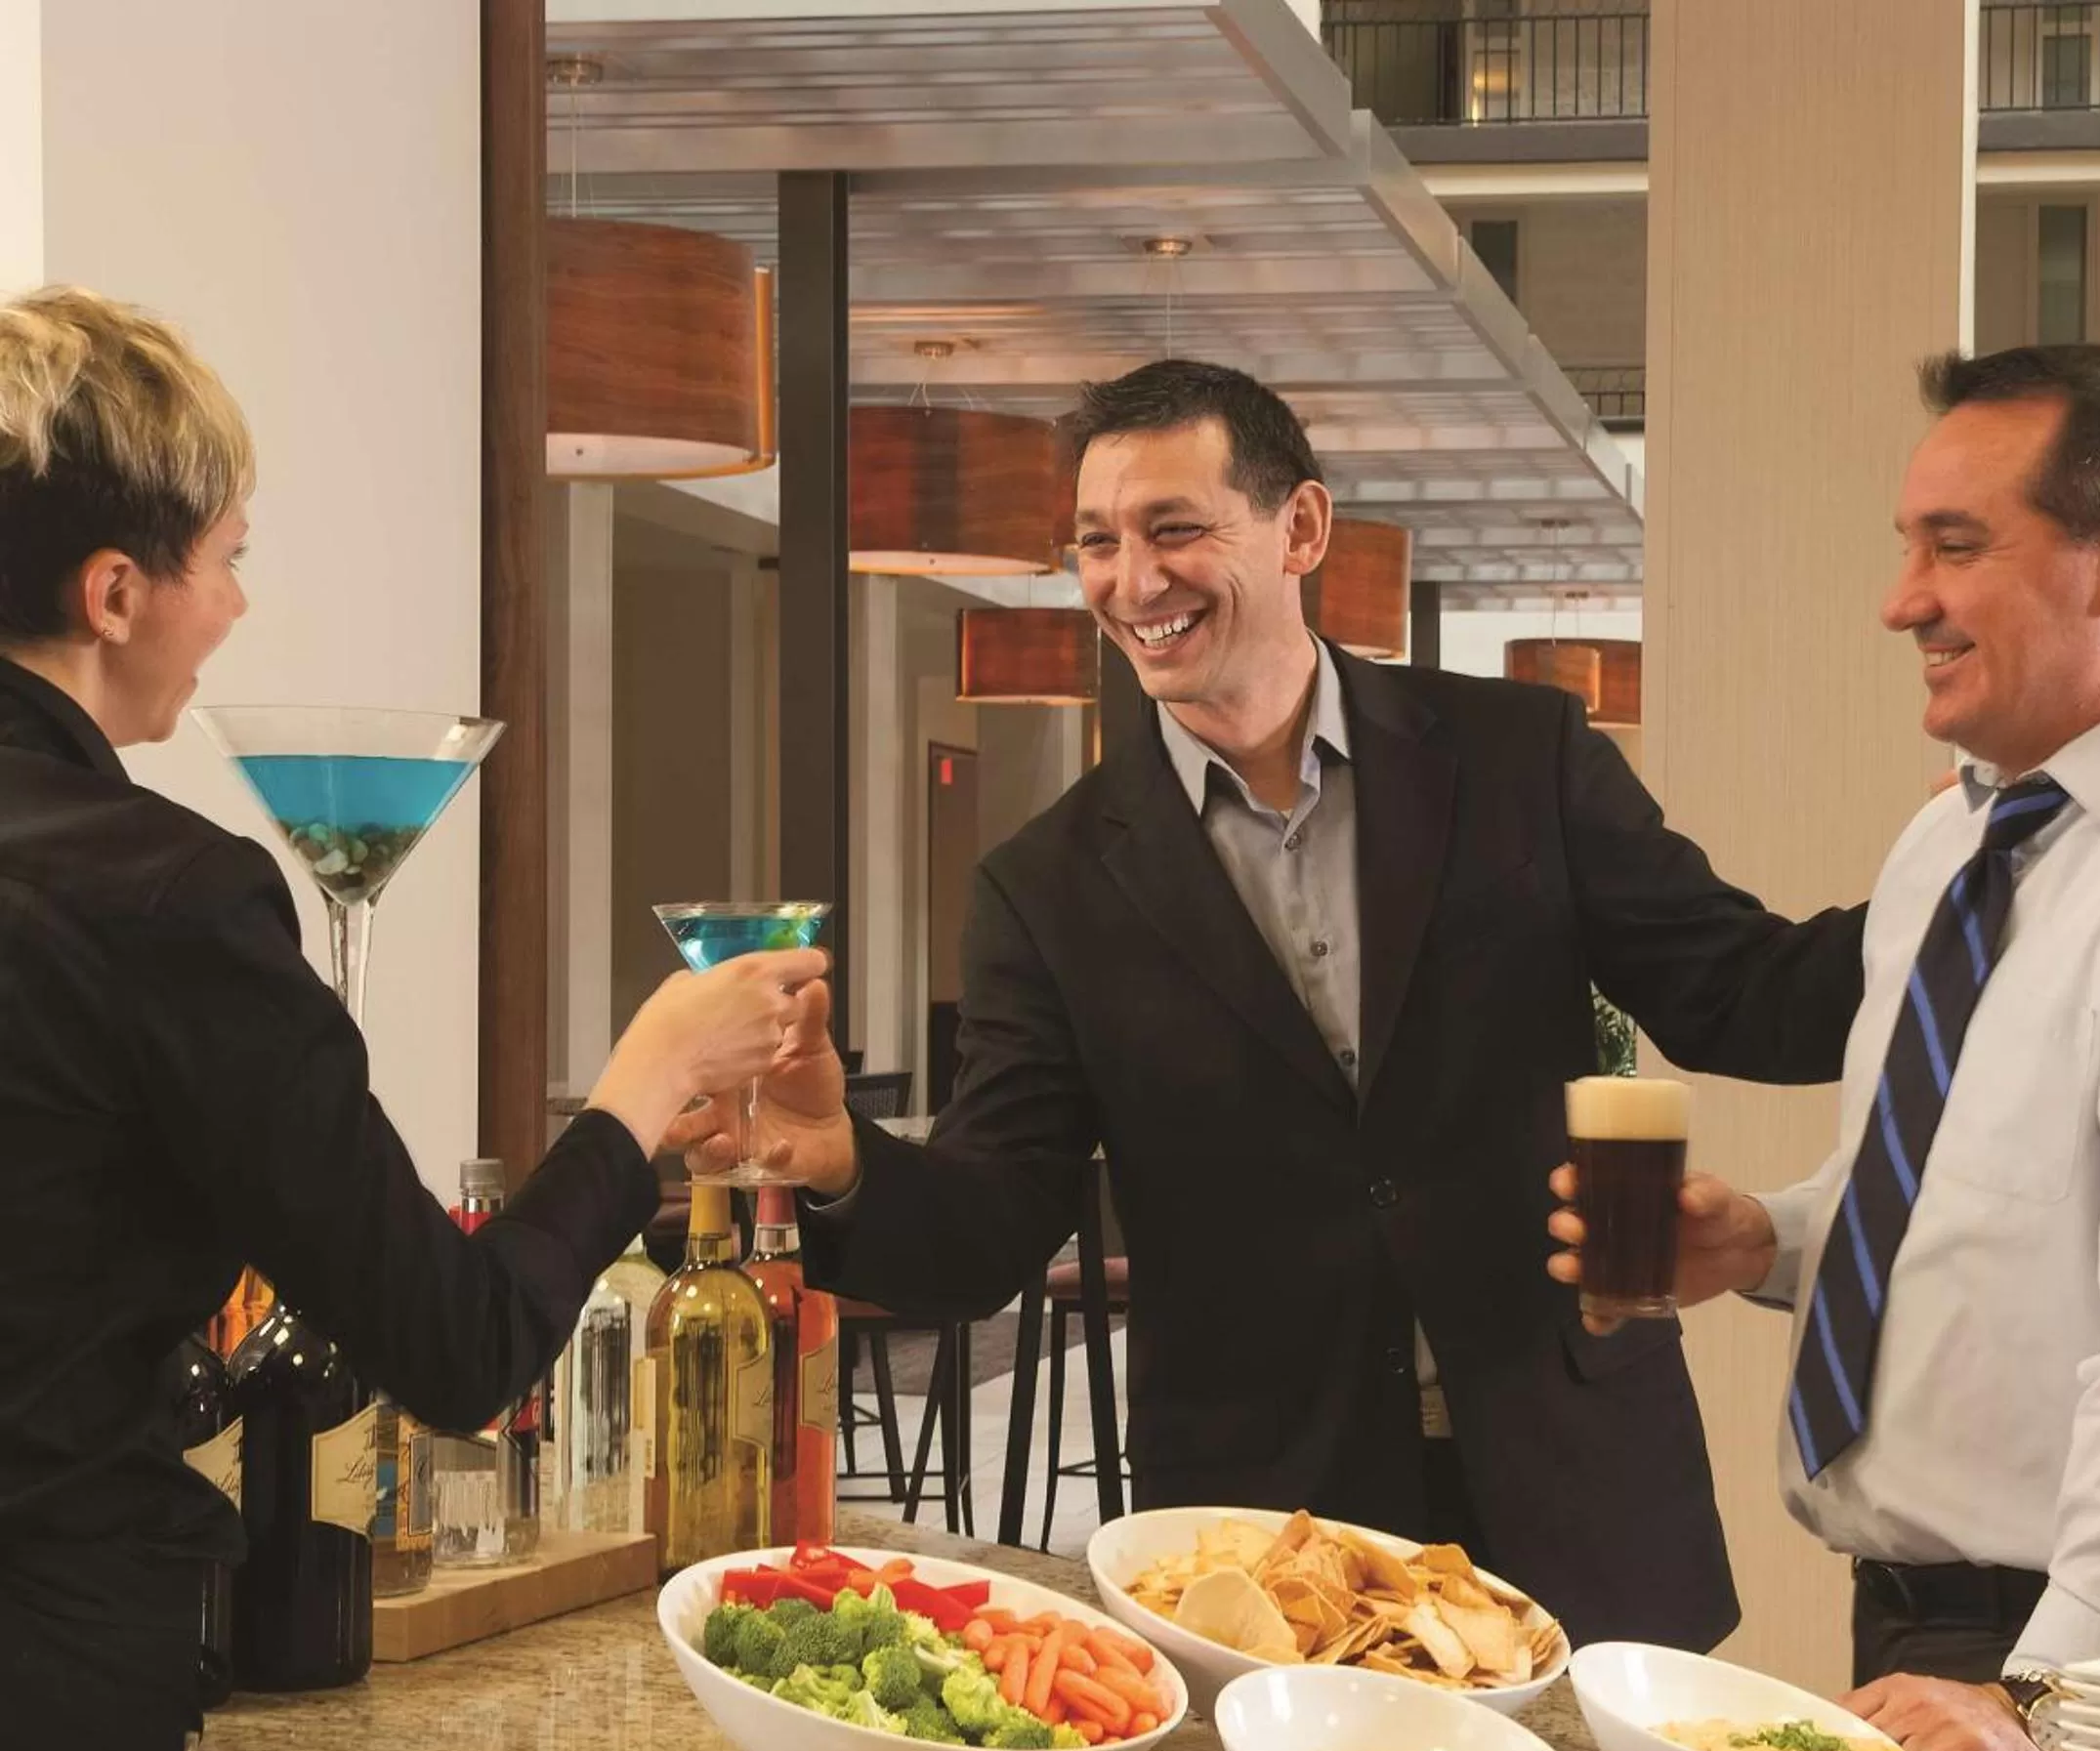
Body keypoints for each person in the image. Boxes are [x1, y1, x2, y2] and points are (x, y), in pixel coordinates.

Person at [691, 358, 1868, 1649]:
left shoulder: (1520, 756)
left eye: (1176, 529)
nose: (1133, 582)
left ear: (1301, 527)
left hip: (1572, 1486)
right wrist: (847, 1164)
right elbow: (994, 1225)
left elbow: (1743, 995)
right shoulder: (1047, 887)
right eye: (1097, 541)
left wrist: (1961, 895)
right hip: (1272, 1533)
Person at [0, 286, 827, 1751]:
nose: (236, 605)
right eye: (226, 558)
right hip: (42, 1691)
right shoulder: (167, 898)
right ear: (113, 591)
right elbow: (454, 1344)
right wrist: (644, 1081)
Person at [1548, 344, 2100, 1751]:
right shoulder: (1951, 843)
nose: (1904, 602)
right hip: (1926, 1621)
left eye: (1957, 547)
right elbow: (1967, 1190)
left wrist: (2054, 1697)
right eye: (1908, 547)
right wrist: (1770, 1240)